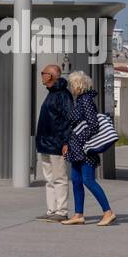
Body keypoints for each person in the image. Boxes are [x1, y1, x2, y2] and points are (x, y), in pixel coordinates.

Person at [59, 71, 116, 226]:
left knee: (88, 180)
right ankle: (78, 214)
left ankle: (108, 212)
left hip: (84, 149)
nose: (70, 87)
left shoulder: (86, 101)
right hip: (76, 149)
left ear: (78, 85)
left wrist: (79, 139)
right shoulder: (80, 101)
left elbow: (93, 125)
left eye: (71, 84)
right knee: (76, 180)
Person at [34, 63, 72, 222]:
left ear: (50, 76)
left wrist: (66, 142)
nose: (41, 75)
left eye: (44, 73)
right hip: (45, 143)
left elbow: (68, 120)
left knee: (59, 178)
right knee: (49, 179)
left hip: (57, 144)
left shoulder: (63, 95)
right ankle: (52, 210)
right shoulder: (51, 93)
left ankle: (62, 211)